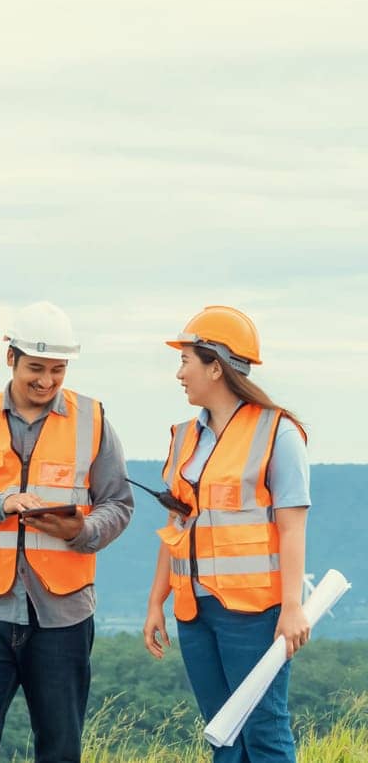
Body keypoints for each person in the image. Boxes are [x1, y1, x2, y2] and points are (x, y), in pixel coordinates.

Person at [0, 301, 134, 763]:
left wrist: (80, 530)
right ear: (11, 358)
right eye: (36, 369)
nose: (46, 381)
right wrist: (0, 501)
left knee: (61, 748)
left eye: (57, 370)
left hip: (64, 615)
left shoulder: (93, 419)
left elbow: (119, 505)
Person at [142, 306, 310, 763]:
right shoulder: (182, 438)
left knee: (264, 729)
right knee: (221, 732)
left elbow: (292, 526)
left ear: (216, 366)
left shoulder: (278, 433)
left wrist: (292, 607)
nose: (179, 373)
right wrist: (157, 600)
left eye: (186, 361)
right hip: (194, 610)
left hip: (254, 613)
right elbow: (176, 525)